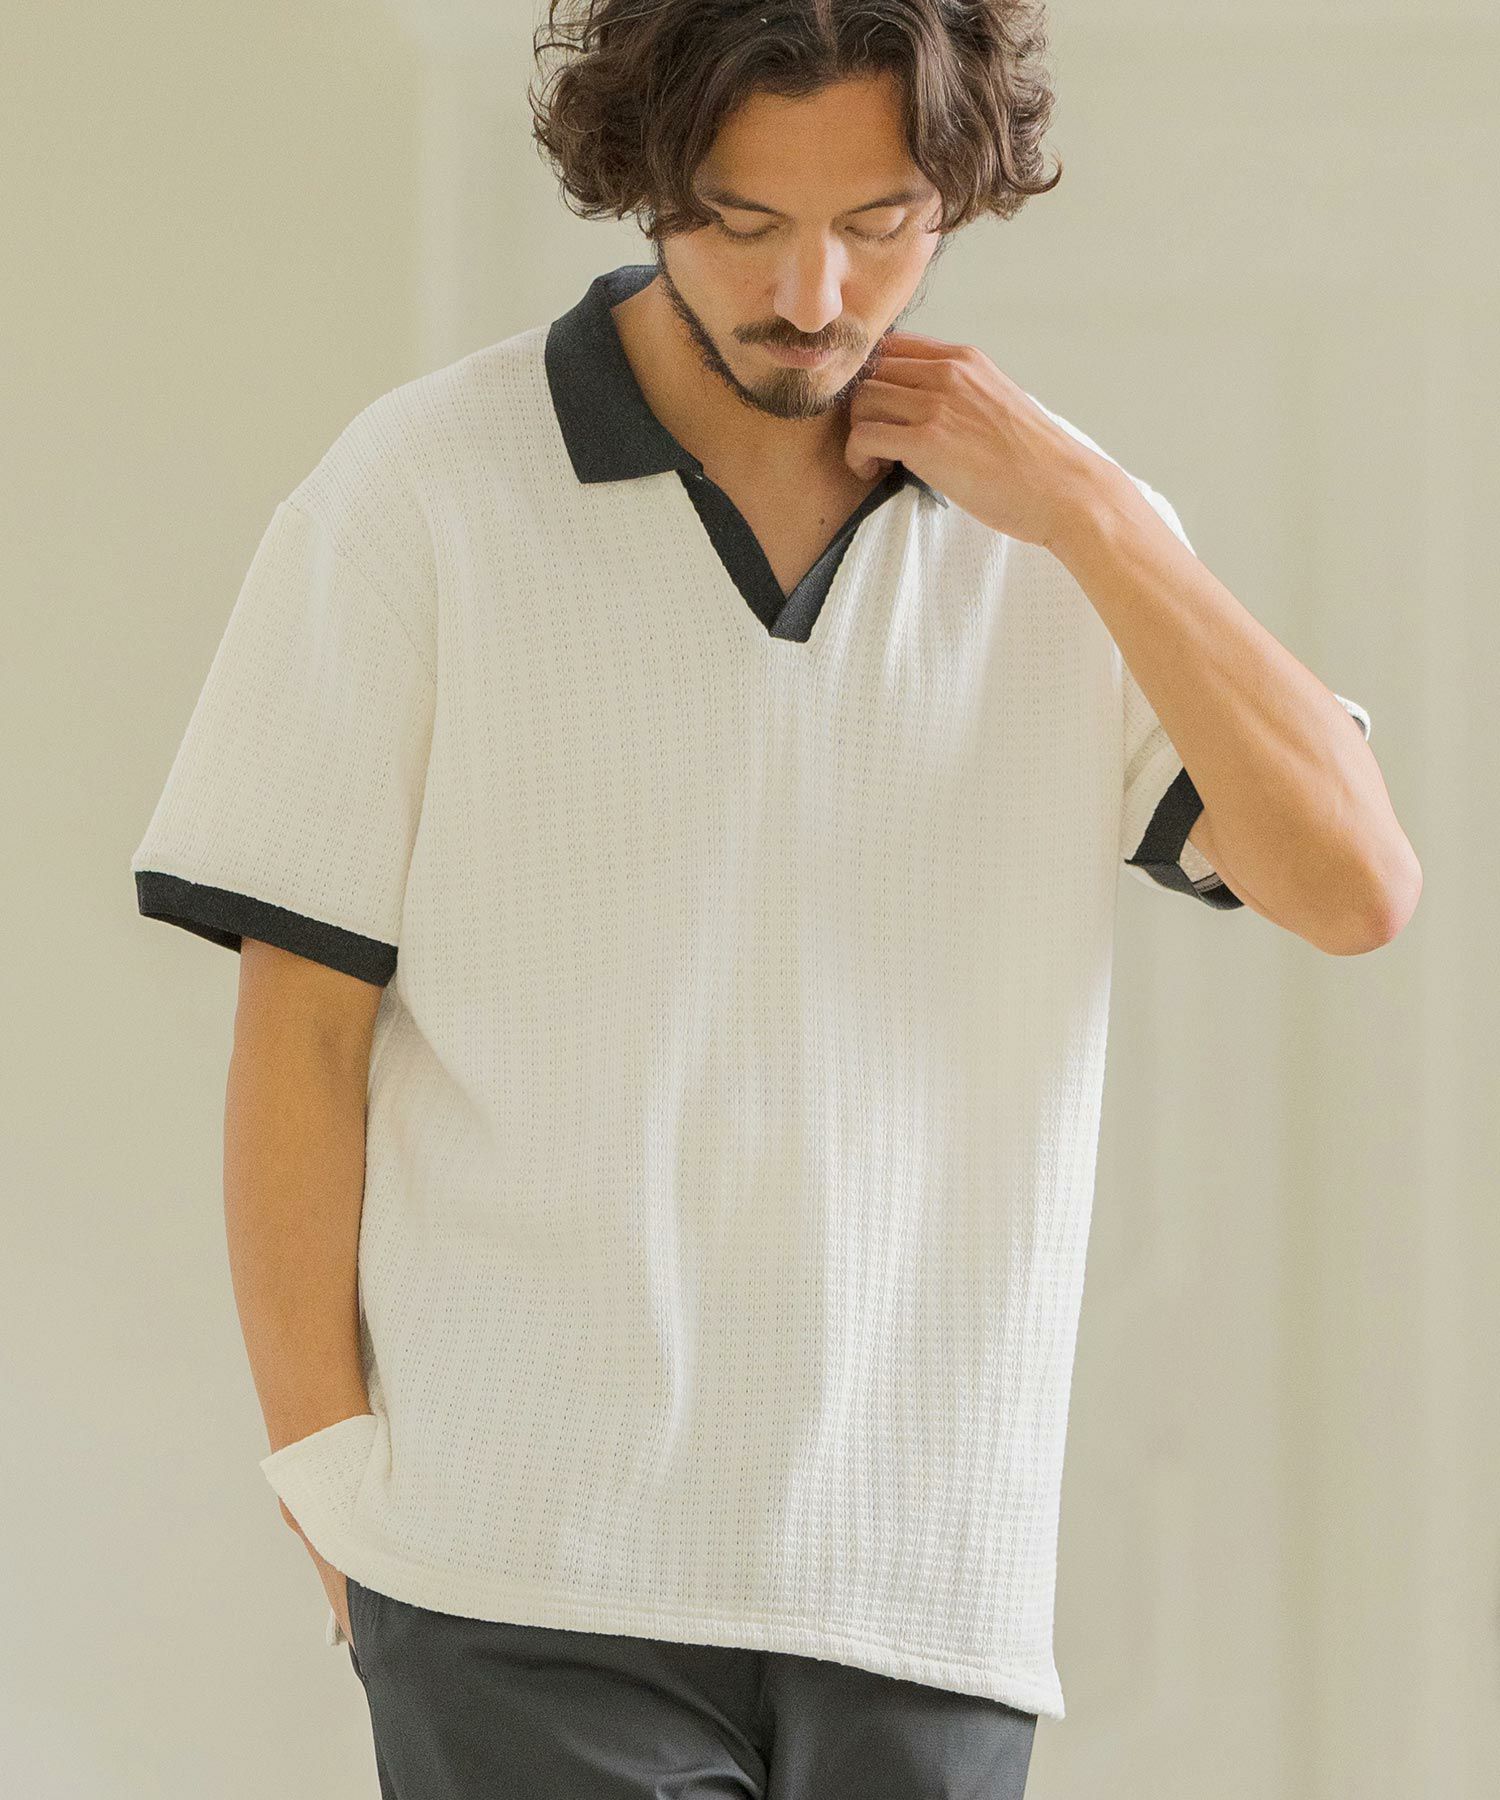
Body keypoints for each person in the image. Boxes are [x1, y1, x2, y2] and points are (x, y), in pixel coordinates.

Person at [131, 3, 1412, 1796]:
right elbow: (304, 1032)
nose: (813, 293)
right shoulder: (420, 493)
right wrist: (326, 1472)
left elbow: (1353, 886)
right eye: (743, 221)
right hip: (521, 1570)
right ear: (643, 177)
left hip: (924, 1587)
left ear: (956, 195)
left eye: (879, 223)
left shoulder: (1054, 541)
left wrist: (1095, 516)